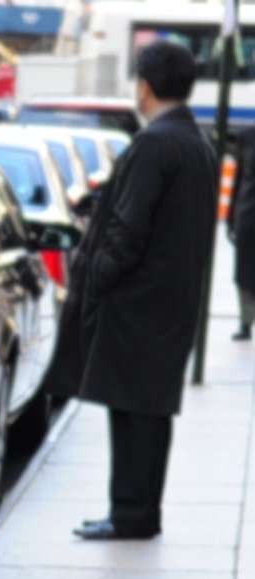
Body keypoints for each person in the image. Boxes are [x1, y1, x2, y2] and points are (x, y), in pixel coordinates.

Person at [48, 40, 218, 541]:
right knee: (149, 407)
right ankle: (138, 510)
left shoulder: (155, 143)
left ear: (144, 87)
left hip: (138, 302)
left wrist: (99, 274)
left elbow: (128, 226)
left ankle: (131, 513)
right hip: (172, 297)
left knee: (134, 409)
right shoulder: (195, 140)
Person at [229, 125, 255, 340]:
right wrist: (231, 217)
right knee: (244, 272)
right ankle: (245, 322)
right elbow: (238, 179)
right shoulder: (246, 137)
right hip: (248, 215)